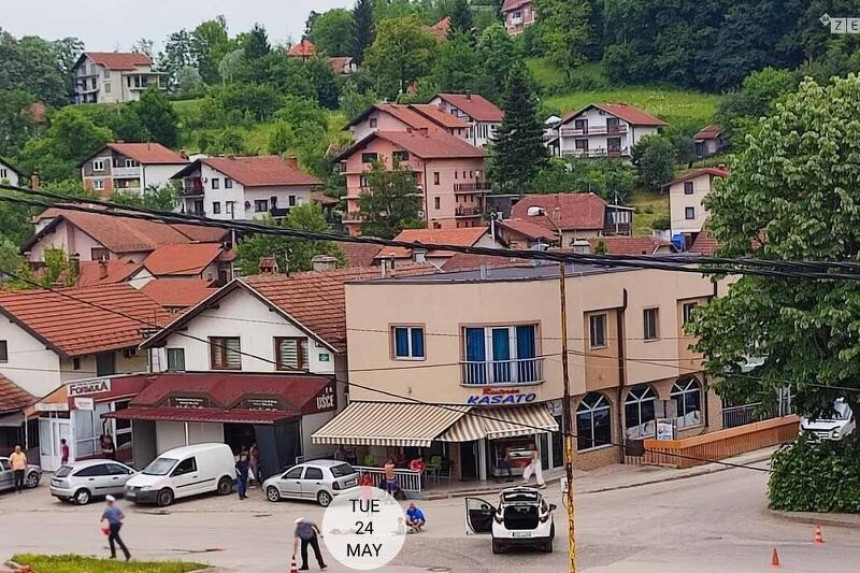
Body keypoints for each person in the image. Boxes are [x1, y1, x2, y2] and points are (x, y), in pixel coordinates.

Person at [101, 495, 131, 561]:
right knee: (110, 538)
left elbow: (102, 518)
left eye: (107, 501)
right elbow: (123, 516)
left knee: (118, 541)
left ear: (109, 502)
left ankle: (127, 555)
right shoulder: (117, 508)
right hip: (118, 525)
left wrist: (105, 518)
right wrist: (117, 518)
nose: (106, 502)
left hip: (113, 526)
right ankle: (113, 554)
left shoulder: (107, 509)